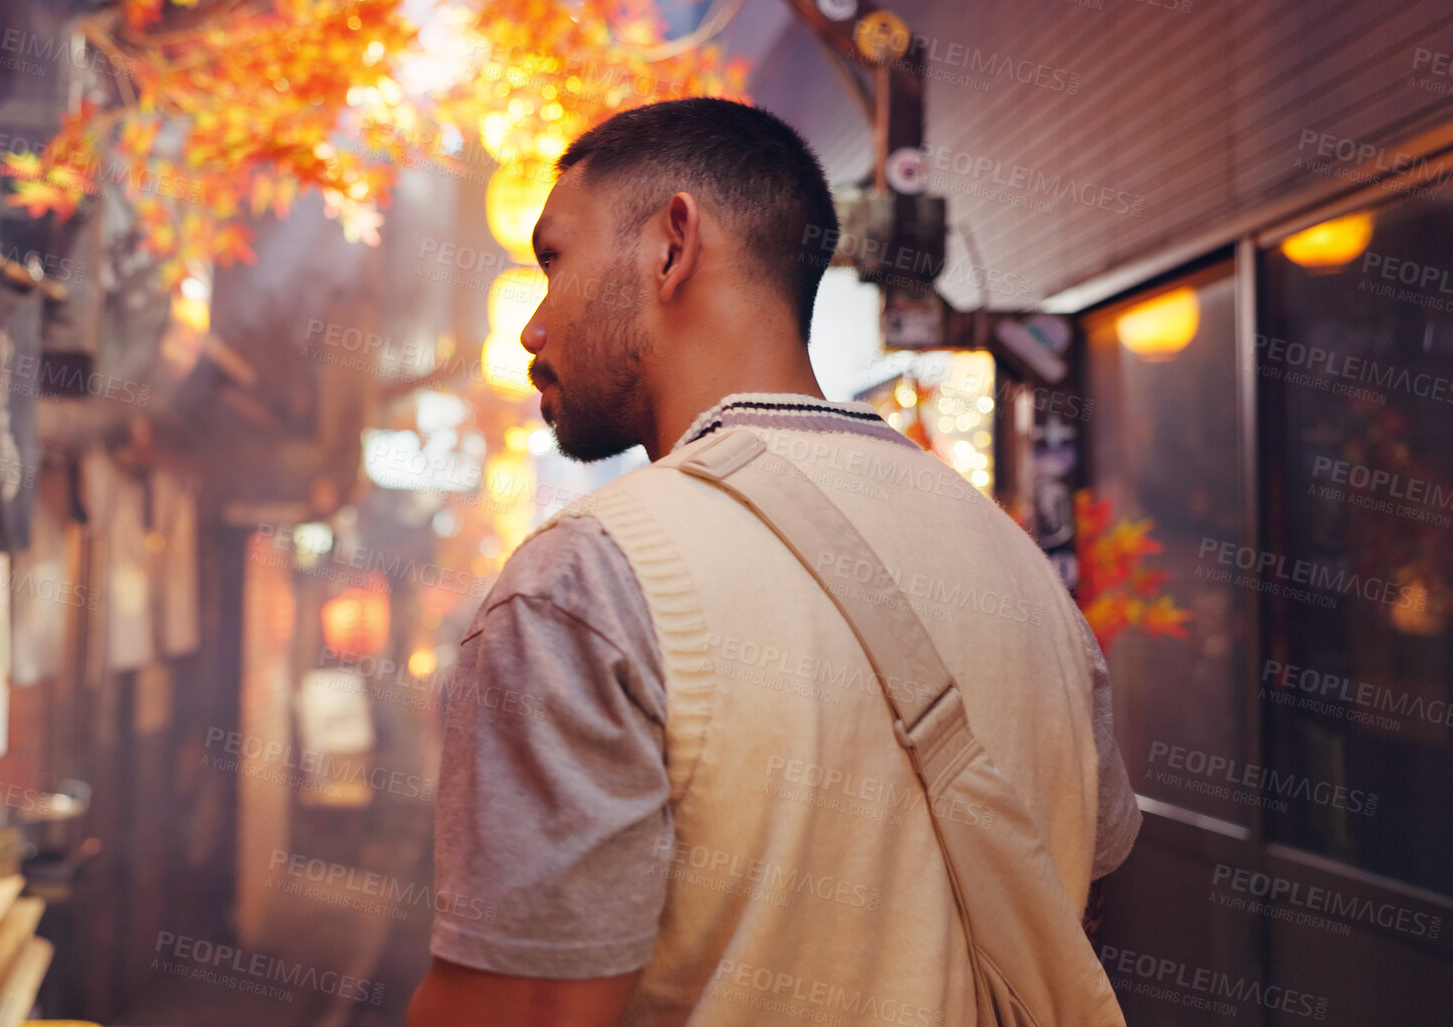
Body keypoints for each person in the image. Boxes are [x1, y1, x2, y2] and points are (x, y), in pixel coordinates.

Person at [406, 98, 1140, 1027]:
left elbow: (528, 1009)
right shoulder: (1018, 567)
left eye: (553, 260)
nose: (532, 325)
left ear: (672, 244)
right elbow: (1088, 880)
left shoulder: (590, 579)